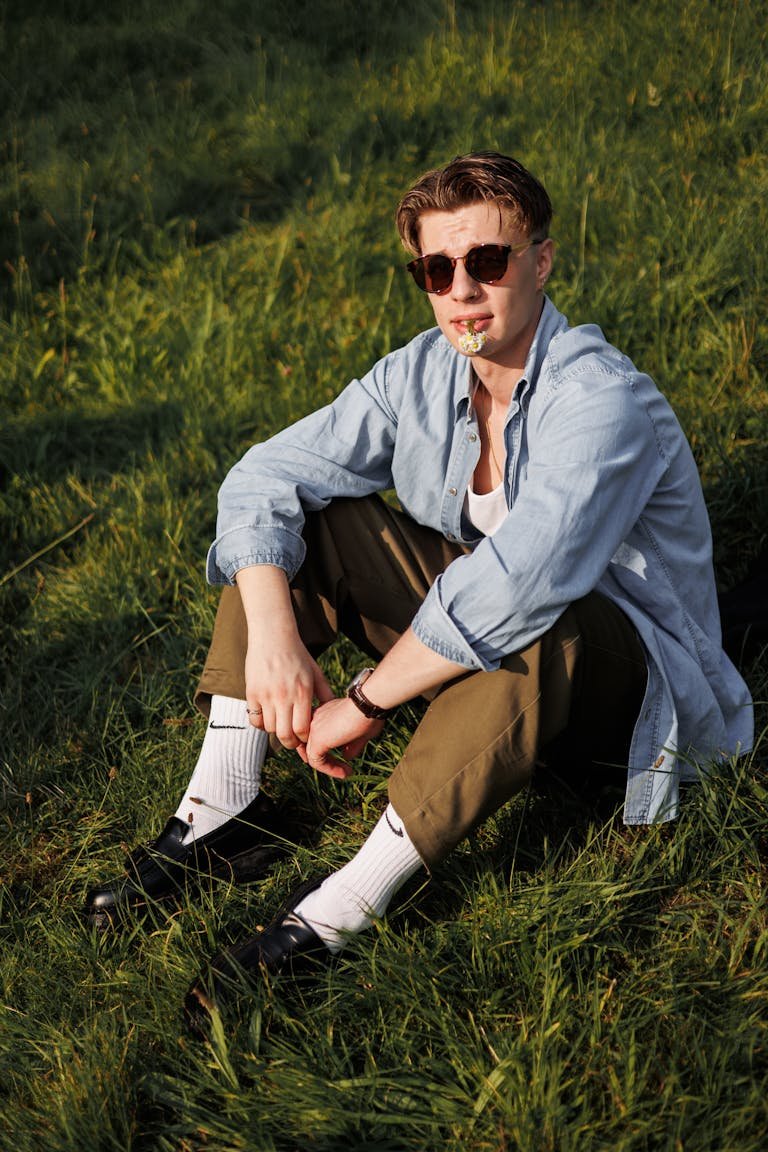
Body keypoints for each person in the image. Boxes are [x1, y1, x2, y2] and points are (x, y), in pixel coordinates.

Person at [85, 151, 753, 1027]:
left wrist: (362, 702)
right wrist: (276, 640)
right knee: (303, 530)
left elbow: (521, 584)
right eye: (439, 270)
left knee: (533, 618)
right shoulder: (421, 373)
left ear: (541, 262)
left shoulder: (601, 402)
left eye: (488, 261)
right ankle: (223, 814)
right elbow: (263, 476)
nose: (464, 291)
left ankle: (340, 910)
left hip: (622, 703)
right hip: (492, 649)